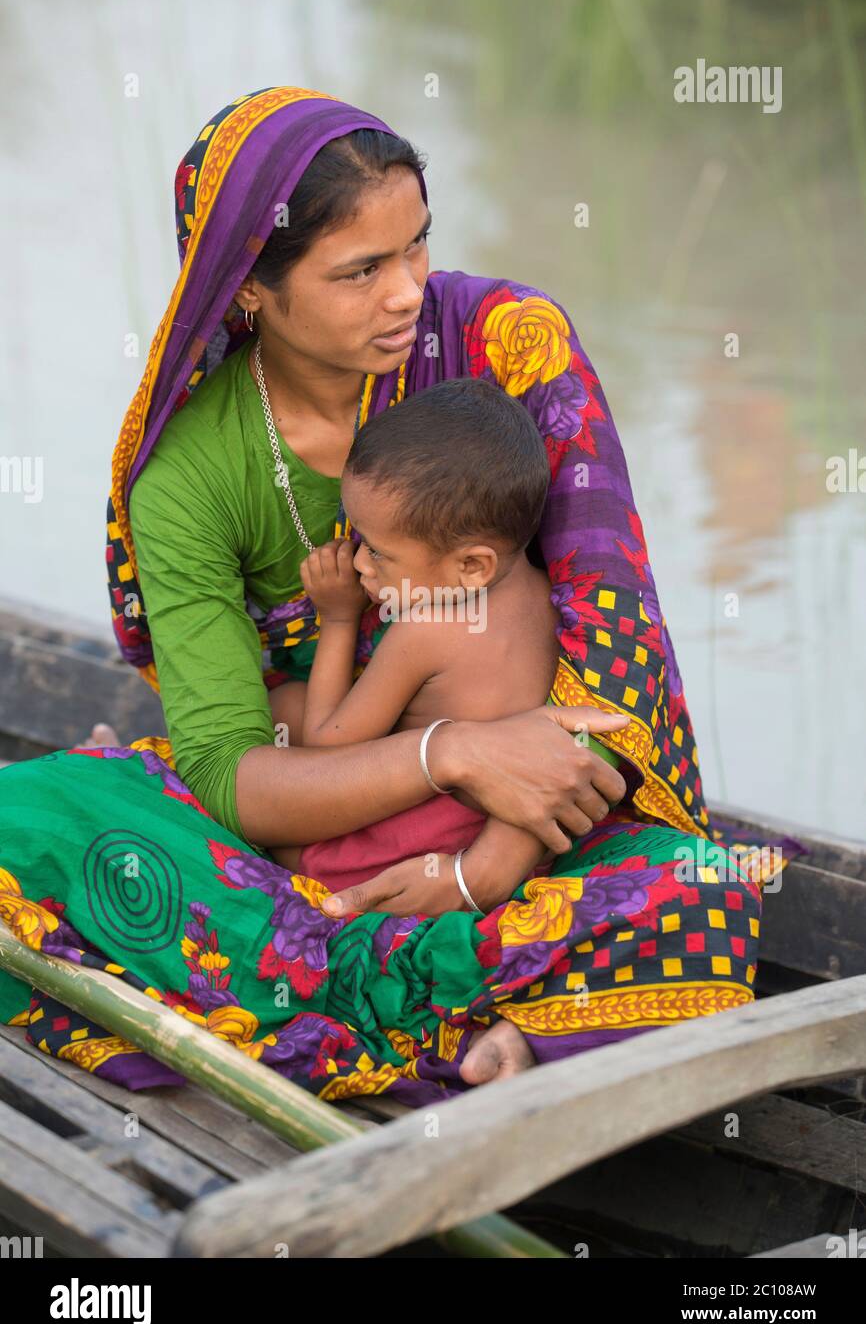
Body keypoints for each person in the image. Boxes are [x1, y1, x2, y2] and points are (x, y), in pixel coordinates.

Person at [0, 86, 771, 1105]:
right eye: (360, 270)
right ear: (247, 293)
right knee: (31, 815)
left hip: (524, 828)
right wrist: (445, 751)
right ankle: (471, 1016)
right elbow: (233, 775)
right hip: (308, 833)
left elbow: (610, 651)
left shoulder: (506, 346)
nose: (407, 291)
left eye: (415, 248)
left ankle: (336, 999)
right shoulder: (186, 478)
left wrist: (485, 867)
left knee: (697, 888)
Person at [274, 374, 626, 909]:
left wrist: (341, 619)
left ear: (472, 566)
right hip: (509, 837)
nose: (359, 562)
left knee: (285, 704)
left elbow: (329, 748)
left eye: (378, 552)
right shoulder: (554, 595)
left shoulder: (425, 633)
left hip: (400, 855)